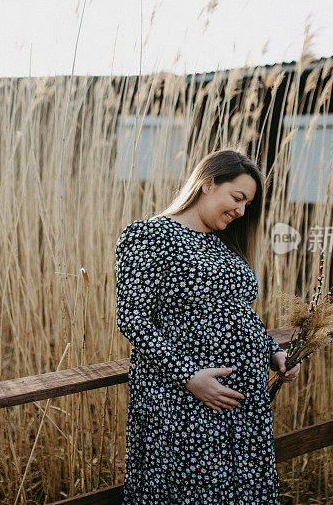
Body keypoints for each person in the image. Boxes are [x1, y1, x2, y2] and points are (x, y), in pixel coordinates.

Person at [114, 148, 301, 504]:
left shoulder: (224, 245)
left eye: (247, 204)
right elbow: (133, 318)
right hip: (183, 399)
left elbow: (236, 313)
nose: (241, 211)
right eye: (238, 197)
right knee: (194, 491)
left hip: (242, 403)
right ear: (209, 182)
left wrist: (272, 351)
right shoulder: (149, 235)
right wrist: (190, 376)